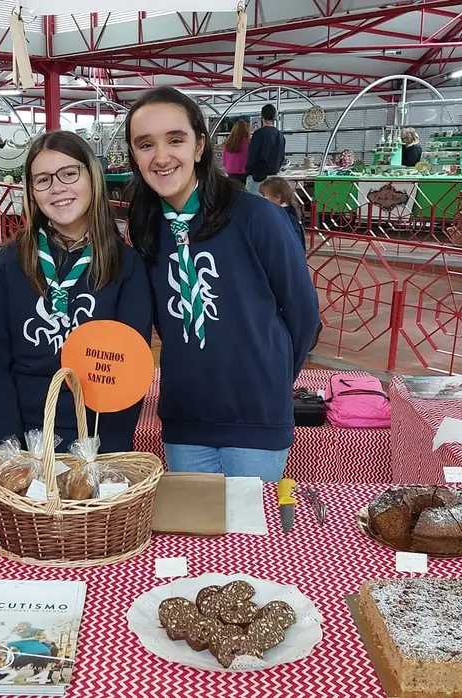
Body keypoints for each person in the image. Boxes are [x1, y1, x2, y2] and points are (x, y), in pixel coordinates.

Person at [123, 87, 319, 481]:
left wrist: (270, 380)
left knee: (249, 536)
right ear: (134, 157)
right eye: (146, 144)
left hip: (256, 417)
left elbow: (303, 314)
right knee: (198, 537)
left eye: (175, 139)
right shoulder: (145, 227)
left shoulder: (257, 217)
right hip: (186, 417)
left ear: (199, 146)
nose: (161, 156)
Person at [0, 130, 151, 455]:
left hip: (96, 440)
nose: (57, 188)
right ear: (31, 190)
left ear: (92, 176)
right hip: (24, 437)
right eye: (42, 179)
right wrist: (7, 448)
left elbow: (127, 371)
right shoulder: (11, 262)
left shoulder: (126, 265)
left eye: (69, 173)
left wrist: (106, 453)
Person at [245, 104, 286, 196]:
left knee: (254, 206)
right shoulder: (280, 135)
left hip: (258, 177)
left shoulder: (259, 134)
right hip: (274, 177)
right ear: (274, 117)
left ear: (261, 116)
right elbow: (282, 157)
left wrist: (247, 170)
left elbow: (252, 155)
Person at [259, 176, 304, 248]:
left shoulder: (284, 216)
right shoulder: (289, 212)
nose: (262, 199)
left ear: (278, 197)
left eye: (264, 195)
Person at [221, 119, 250, 185]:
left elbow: (224, 162)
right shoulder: (248, 144)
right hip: (244, 176)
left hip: (230, 175)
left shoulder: (227, 144)